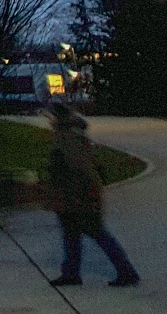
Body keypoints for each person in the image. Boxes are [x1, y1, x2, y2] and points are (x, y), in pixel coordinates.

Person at [45, 102, 139, 287]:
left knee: (97, 233)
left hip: (79, 196)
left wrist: (68, 191)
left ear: (58, 117)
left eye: (51, 117)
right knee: (71, 235)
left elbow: (77, 168)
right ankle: (71, 273)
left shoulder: (68, 137)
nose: (49, 121)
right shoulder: (70, 134)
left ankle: (127, 272)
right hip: (74, 195)